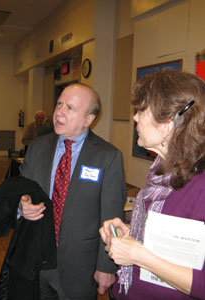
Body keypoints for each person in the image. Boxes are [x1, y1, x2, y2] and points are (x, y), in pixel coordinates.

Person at [99, 69, 205, 300]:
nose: (135, 117)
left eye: (141, 110)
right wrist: (129, 230)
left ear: (167, 124)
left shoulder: (201, 188)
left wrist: (139, 256)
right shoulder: (160, 176)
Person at [19, 83, 126, 300]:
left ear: (88, 119)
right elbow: (21, 190)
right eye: (59, 104)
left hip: (80, 267)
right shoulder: (37, 147)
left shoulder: (108, 157)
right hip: (36, 260)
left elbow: (112, 216)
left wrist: (107, 266)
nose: (59, 112)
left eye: (70, 108)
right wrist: (21, 205)